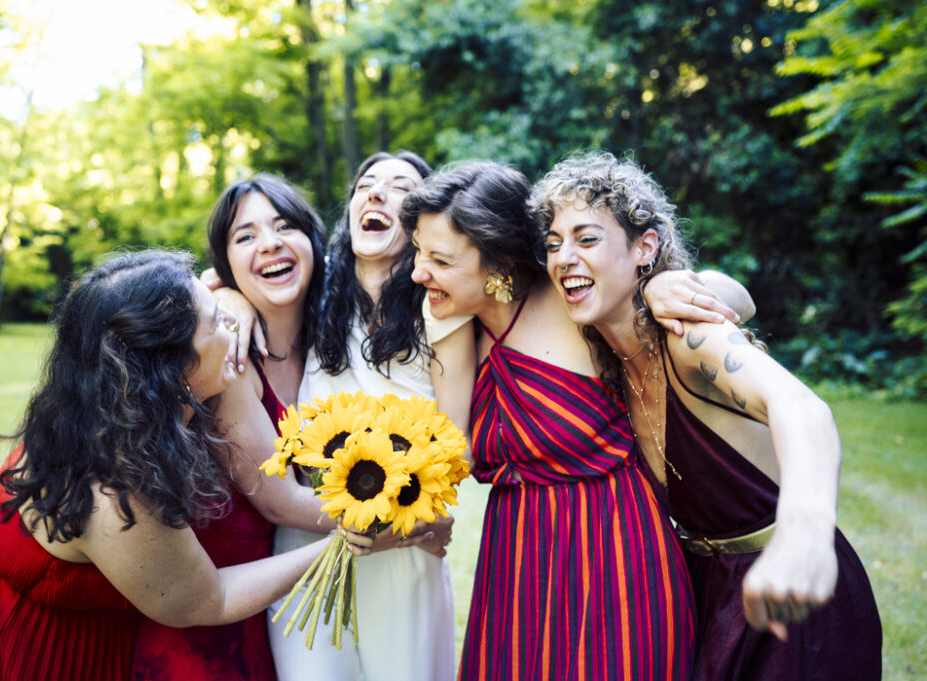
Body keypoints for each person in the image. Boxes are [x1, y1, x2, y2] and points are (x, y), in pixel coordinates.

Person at [532, 151, 882, 680]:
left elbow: (803, 408)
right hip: (705, 592)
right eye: (554, 244)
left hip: (794, 595)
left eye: (587, 238)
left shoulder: (691, 340)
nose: (563, 257)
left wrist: (804, 534)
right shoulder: (605, 367)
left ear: (645, 247)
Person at [0, 251, 332, 681]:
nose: (232, 325)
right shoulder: (118, 483)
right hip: (15, 646)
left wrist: (233, 300)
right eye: (218, 321)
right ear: (172, 367)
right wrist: (339, 546)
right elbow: (209, 600)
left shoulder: (104, 399)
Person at [400, 161, 755, 680]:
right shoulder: (454, 330)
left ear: (496, 259)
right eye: (418, 252)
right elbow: (455, 452)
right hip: (518, 560)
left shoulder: (576, 299)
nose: (418, 271)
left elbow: (738, 297)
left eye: (439, 259)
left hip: (616, 549)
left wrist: (666, 290)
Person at [267, 151, 465, 681]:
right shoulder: (308, 297)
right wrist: (234, 303)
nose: (376, 194)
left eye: (400, 187)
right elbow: (234, 279)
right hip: (308, 545)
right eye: (366, 185)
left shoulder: (443, 310)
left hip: (407, 540)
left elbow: (456, 442)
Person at [132, 179, 336, 680]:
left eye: (285, 226)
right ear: (225, 264)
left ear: (313, 240)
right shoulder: (227, 353)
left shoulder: (328, 343)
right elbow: (279, 500)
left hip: (278, 583)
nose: (269, 243)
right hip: (215, 590)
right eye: (245, 236)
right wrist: (397, 517)